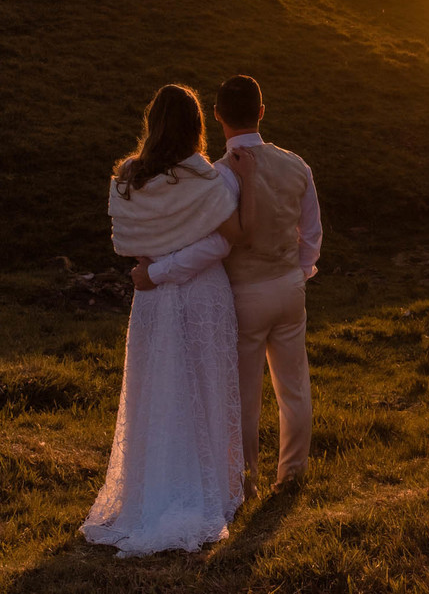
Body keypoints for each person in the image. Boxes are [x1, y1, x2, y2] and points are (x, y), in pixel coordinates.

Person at [81, 83, 255, 557]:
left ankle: (153, 490)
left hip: (154, 298)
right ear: (197, 126)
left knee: (158, 390)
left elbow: (136, 246)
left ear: (152, 124)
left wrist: (156, 269)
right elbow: (222, 243)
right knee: (204, 387)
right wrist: (166, 268)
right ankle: (206, 491)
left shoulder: (130, 178)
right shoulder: (203, 180)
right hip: (201, 295)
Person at [134, 75, 322, 497]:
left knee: (242, 395)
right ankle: (292, 474)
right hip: (289, 286)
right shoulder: (297, 164)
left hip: (243, 294)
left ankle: (246, 480)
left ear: (217, 115)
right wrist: (301, 271)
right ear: (261, 111)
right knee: (294, 388)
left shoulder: (217, 177)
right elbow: (312, 234)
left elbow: (213, 242)